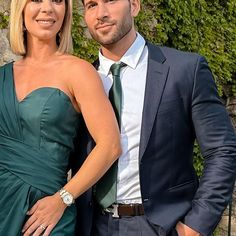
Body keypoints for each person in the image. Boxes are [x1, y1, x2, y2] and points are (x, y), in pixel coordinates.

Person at [73, 0, 236, 235]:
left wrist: (195, 225)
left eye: (110, 1)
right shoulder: (79, 81)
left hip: (161, 226)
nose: (101, 13)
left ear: (135, 6)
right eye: (91, 5)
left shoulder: (185, 69)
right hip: (93, 226)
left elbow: (222, 150)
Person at [0, 0, 121, 235]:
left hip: (47, 217)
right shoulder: (2, 76)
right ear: (21, 9)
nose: (48, 8)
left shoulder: (78, 71)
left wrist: (63, 198)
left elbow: (110, 145)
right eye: (36, 0)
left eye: (57, 1)